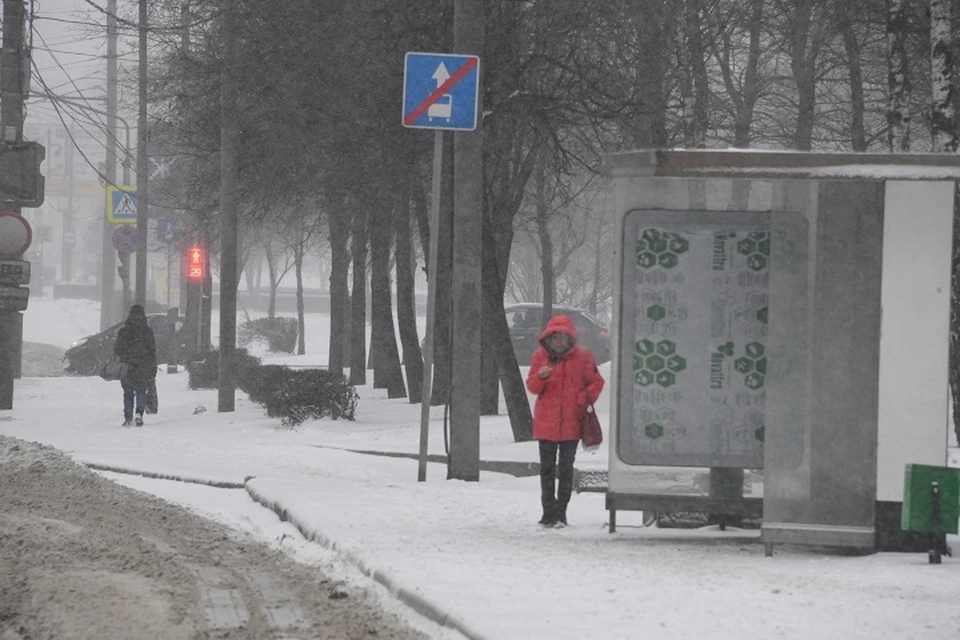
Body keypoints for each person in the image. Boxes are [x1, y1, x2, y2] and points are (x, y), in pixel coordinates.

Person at [525, 314, 604, 528]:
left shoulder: (583, 357)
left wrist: (582, 398)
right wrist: (540, 377)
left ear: (571, 338)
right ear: (548, 338)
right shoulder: (539, 356)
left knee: (566, 468)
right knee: (547, 469)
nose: (559, 341)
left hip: (571, 422)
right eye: (555, 337)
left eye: (563, 337)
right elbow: (532, 387)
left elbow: (596, 382)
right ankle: (548, 512)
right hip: (545, 423)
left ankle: (561, 513)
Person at [114, 304, 157, 427]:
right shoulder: (148, 332)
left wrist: (125, 356)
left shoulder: (124, 331)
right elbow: (152, 351)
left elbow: (117, 349)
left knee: (128, 392)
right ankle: (139, 414)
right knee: (141, 391)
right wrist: (152, 370)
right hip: (143, 366)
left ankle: (128, 416)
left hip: (127, 366)